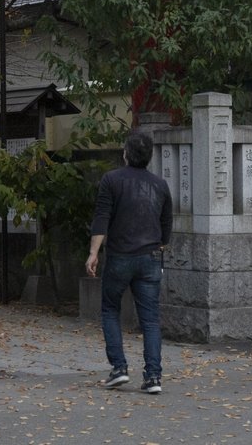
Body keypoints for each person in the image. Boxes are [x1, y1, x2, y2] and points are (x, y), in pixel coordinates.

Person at [85, 128, 172, 394]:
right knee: (150, 319)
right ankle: (153, 377)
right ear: (149, 156)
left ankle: (119, 368)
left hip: (121, 256)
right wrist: (160, 246)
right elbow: (166, 223)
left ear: (125, 153)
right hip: (150, 257)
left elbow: (102, 219)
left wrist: (93, 253)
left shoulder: (111, 180)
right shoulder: (160, 184)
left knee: (111, 309)